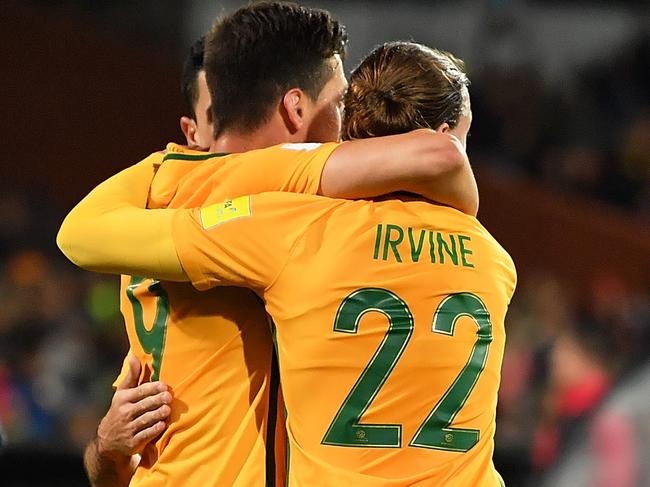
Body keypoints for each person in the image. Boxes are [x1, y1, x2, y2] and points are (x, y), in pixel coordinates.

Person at [58, 41, 515, 486]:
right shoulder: (495, 260)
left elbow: (82, 236)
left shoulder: (289, 229)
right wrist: (108, 444)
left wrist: (177, 169)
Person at [81, 36, 214, 487]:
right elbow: (108, 470)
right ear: (192, 133)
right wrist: (107, 443)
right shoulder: (151, 248)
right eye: (220, 115)